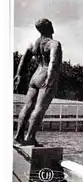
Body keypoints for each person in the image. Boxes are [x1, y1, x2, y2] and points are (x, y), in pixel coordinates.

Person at [14, 19, 62, 147]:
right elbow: (52, 62)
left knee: (27, 106)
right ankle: (30, 137)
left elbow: (24, 60)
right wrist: (50, 78)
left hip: (35, 76)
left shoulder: (34, 44)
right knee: (40, 108)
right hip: (46, 75)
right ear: (49, 27)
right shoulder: (54, 44)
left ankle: (19, 136)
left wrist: (19, 75)